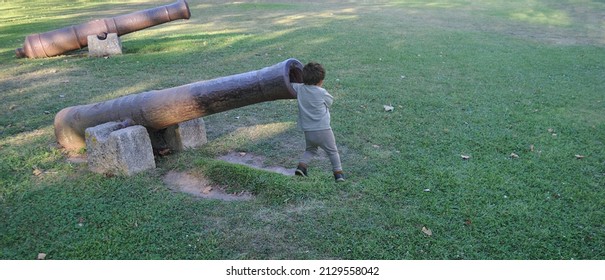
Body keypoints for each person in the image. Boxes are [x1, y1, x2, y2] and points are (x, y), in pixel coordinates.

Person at [292, 62, 345, 182]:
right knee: (332, 151)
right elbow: (330, 102)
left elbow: (289, 85)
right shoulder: (322, 92)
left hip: (308, 130)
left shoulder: (299, 88)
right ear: (320, 81)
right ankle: (338, 174)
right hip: (323, 129)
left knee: (310, 150)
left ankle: (301, 167)